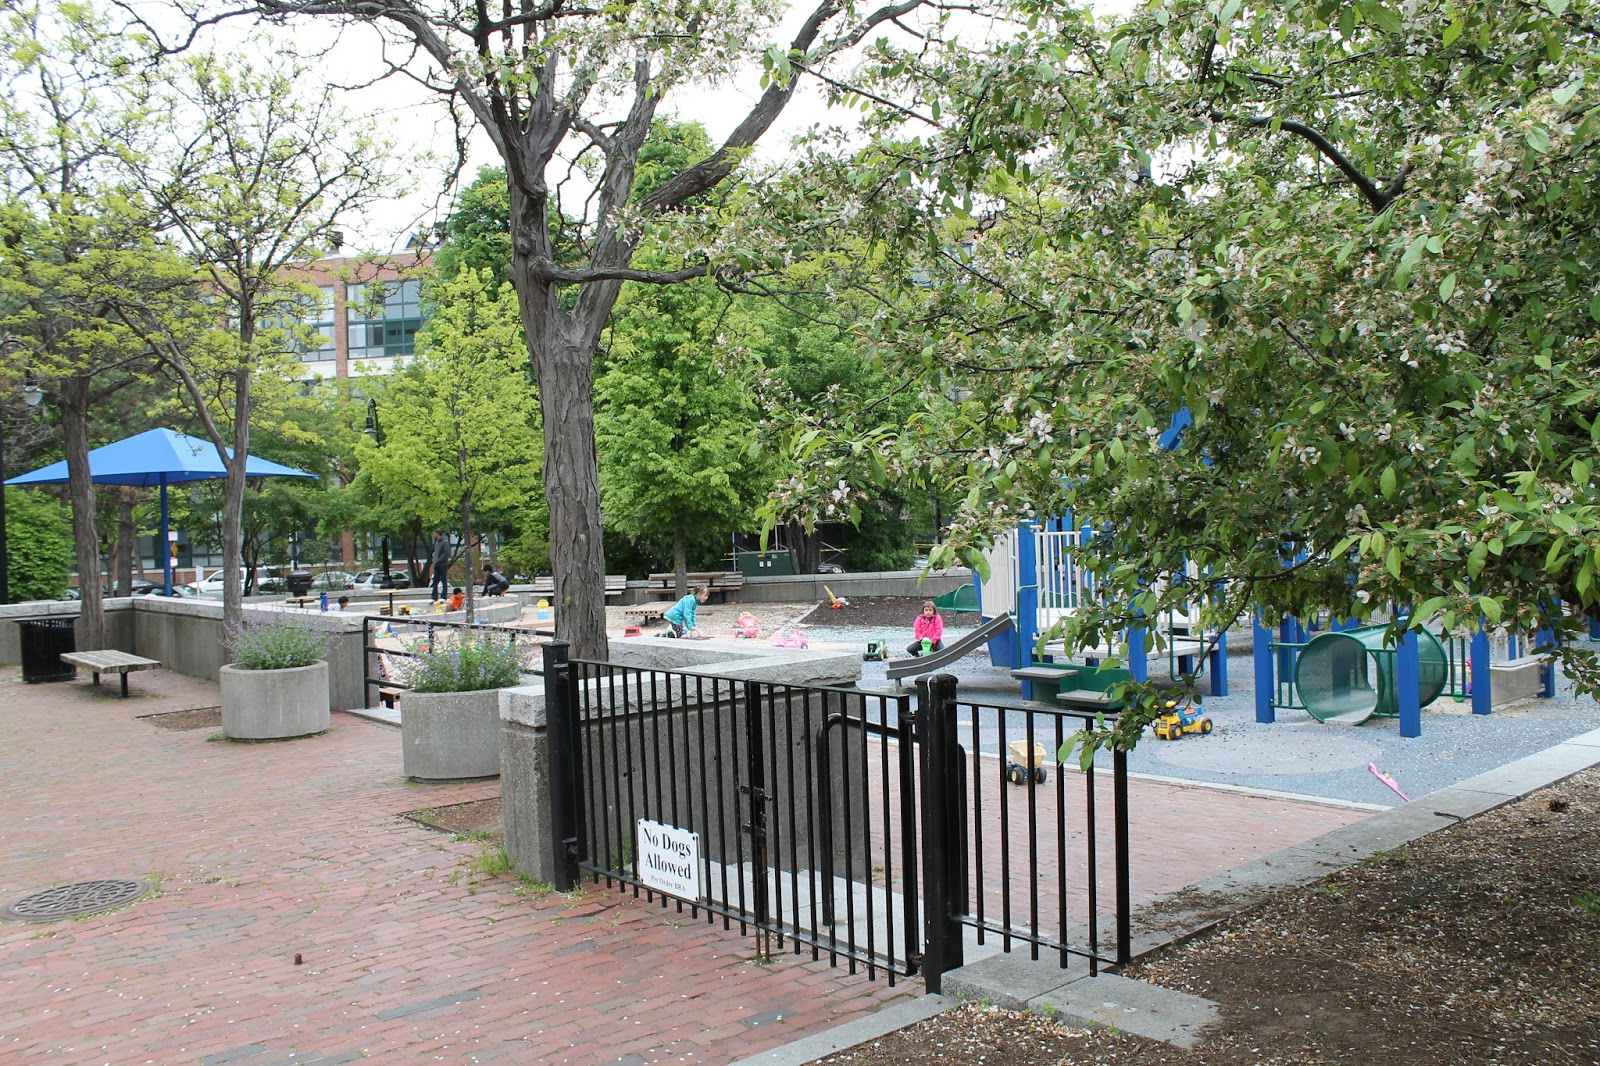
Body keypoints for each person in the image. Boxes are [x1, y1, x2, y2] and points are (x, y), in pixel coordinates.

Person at [429, 530, 451, 600]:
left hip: (443, 564)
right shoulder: (437, 542)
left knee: (443, 580)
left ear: (438, 534)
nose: (433, 535)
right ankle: (434, 597)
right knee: (435, 581)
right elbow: (436, 552)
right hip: (436, 564)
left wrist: (438, 560)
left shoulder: (445, 542)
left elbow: (446, 553)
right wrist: (434, 559)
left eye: (434, 533)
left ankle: (443, 596)